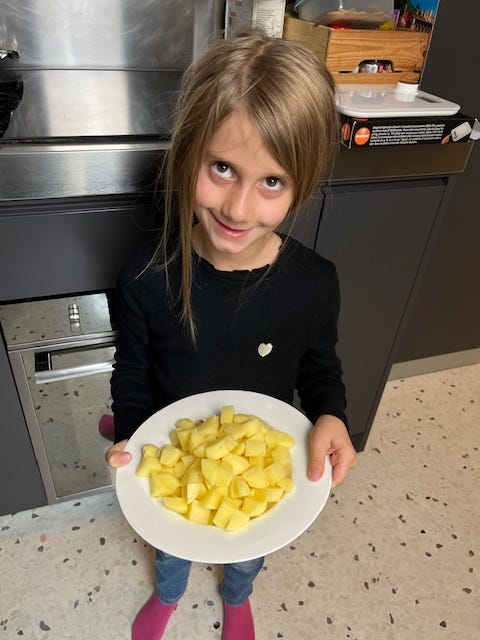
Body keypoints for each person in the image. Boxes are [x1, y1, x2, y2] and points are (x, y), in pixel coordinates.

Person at [105, 32, 357, 640]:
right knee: (171, 546)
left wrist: (331, 414)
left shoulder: (314, 283)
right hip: (181, 446)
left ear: (303, 185)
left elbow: (321, 366)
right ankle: (169, 593)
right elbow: (133, 371)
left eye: (272, 182)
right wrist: (133, 432)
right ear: (188, 151)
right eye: (222, 168)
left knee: (246, 550)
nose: (240, 209)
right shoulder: (144, 278)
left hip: (257, 458)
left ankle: (238, 595)